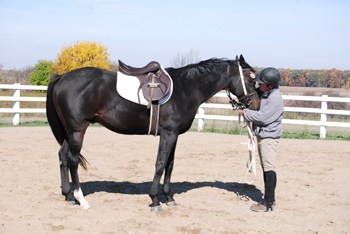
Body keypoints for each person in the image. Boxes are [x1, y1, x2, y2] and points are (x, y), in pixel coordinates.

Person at [238, 67, 284, 212]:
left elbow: (262, 117)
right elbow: (257, 85)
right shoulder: (268, 92)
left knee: (269, 168)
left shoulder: (275, 98)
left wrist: (245, 112)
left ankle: (268, 202)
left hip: (268, 137)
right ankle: (270, 200)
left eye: (261, 83)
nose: (259, 85)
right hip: (264, 135)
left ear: (269, 85)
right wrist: (253, 76)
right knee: (267, 167)